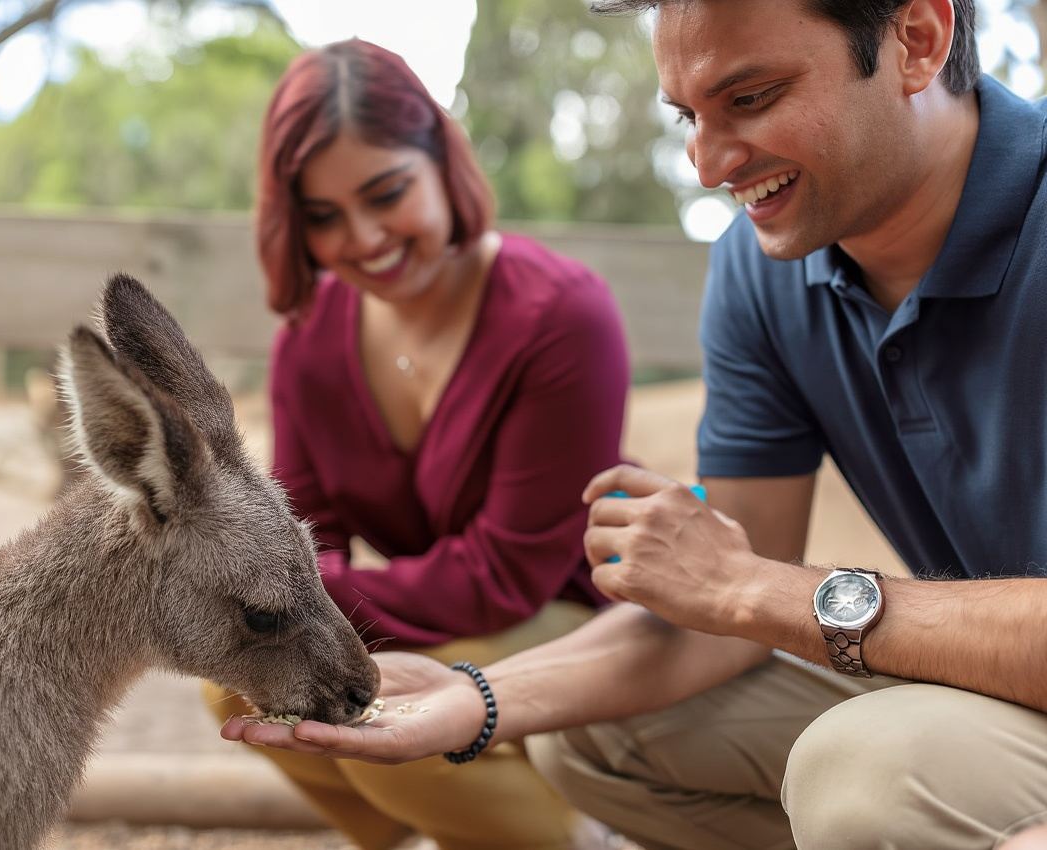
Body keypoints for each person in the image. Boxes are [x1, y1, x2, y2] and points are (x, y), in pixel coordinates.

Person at [224, 2, 1047, 848]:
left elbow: (740, 587)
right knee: (589, 738)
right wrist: (475, 698)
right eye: (690, 117)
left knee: (867, 774)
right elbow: (722, 605)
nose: (707, 164)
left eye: (753, 97)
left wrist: (757, 588)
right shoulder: (759, 273)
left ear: (917, 38)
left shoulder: (554, 309)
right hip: (992, 700)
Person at [203, 38, 631, 850]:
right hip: (434, 613)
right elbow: (304, 535)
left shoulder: (564, 318)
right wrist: (284, 609)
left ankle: (584, 837)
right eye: (324, 217)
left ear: (441, 156)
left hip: (568, 616)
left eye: (386, 193)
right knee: (239, 684)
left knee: (375, 708)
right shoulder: (308, 341)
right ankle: (430, 835)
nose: (362, 238)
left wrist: (296, 605)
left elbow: (505, 574)